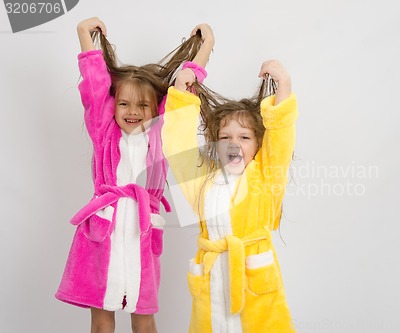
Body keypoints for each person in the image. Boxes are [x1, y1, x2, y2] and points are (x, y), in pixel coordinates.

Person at [55, 17, 214, 333]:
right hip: (104, 233)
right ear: (112, 107)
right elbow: (95, 85)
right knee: (102, 318)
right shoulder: (104, 131)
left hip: (142, 233)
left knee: (143, 318)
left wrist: (205, 47)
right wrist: (83, 36)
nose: (132, 110)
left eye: (143, 104)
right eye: (124, 103)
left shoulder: (163, 132)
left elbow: (185, 90)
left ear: (157, 109)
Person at [162, 59, 297, 332]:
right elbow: (178, 148)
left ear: (259, 144)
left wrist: (283, 83)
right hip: (211, 282)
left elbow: (280, 139)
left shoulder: (266, 176)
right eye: (225, 137)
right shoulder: (202, 182)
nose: (234, 144)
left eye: (245, 137)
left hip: (254, 282)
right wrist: (181, 98)